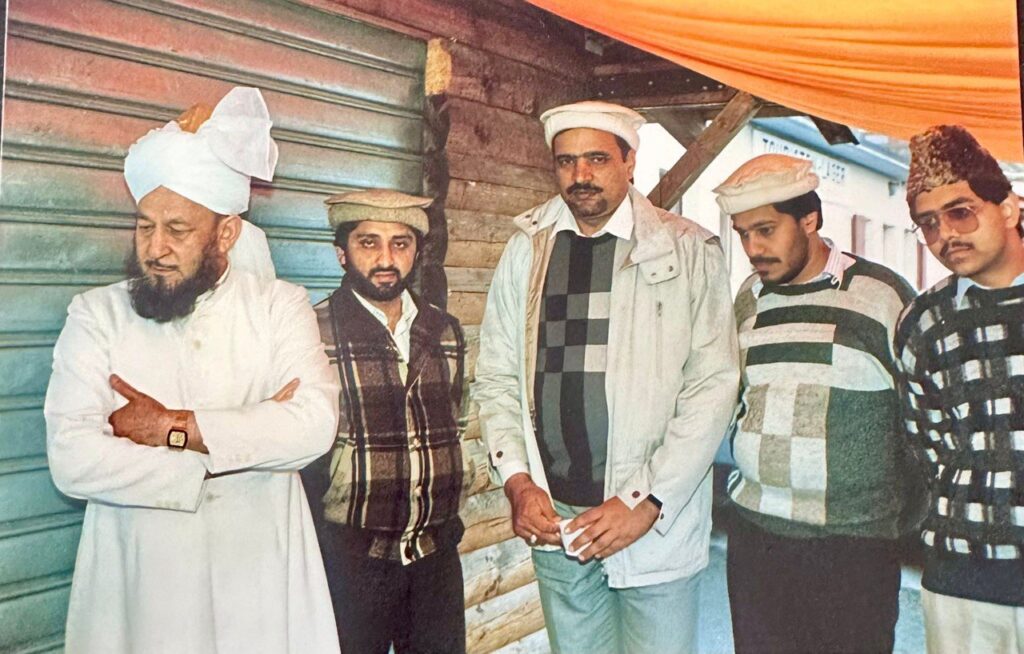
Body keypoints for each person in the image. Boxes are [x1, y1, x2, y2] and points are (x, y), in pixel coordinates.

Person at [43, 87, 340, 654]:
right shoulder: (97, 315)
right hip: (141, 582)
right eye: (144, 226)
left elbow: (313, 427)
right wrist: (226, 455)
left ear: (226, 234)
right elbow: (72, 460)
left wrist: (171, 429)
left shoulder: (279, 307)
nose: (155, 248)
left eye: (178, 230)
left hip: (256, 577)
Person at [472, 100, 739, 653]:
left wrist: (646, 500)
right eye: (566, 161)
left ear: (629, 161)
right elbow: (496, 377)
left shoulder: (688, 250)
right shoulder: (528, 248)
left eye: (596, 158)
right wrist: (518, 481)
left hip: (651, 522)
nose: (580, 175)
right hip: (558, 520)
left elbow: (713, 388)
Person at [713, 154, 921, 653]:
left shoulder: (882, 296)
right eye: (743, 234)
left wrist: (894, 519)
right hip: (757, 540)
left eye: (765, 230)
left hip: (855, 548)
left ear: (810, 218)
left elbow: (920, 417)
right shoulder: (749, 297)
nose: (753, 249)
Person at [301, 189, 469, 654]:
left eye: (400, 243)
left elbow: (456, 419)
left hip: (435, 560)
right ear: (341, 253)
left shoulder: (444, 330)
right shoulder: (313, 332)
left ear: (416, 252)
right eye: (368, 242)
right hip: (351, 562)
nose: (386, 259)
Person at [894, 125, 1024, 653]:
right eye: (928, 224)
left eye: (961, 212)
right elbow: (927, 446)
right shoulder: (923, 323)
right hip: (962, 581)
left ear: (1009, 208)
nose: (945, 234)